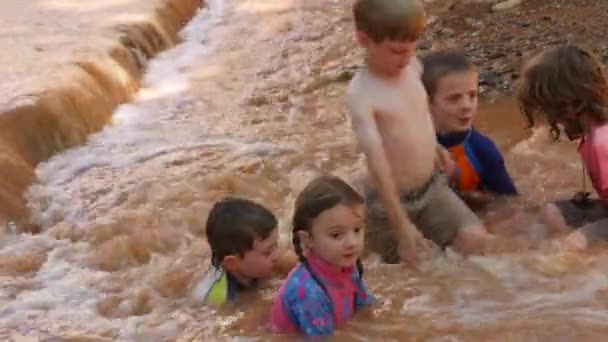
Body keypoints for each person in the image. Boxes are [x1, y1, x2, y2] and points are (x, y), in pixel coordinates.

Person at [347, 0, 490, 264]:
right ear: (364, 40)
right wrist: (401, 226)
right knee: (420, 272)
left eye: (413, 47)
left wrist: (434, 147)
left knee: (476, 241)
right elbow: (378, 167)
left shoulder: (412, 66)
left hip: (431, 187)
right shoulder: (363, 95)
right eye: (397, 51)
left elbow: (418, 114)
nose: (408, 56)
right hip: (388, 203)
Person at [519, 44, 608, 250]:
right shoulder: (595, 136)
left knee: (569, 246)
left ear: (569, 105)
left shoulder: (601, 144)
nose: (550, 121)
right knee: (552, 212)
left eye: (546, 110)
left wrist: (585, 236)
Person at [269, 175, 373, 337]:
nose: (352, 242)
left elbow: (364, 306)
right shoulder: (309, 293)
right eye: (337, 235)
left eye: (357, 230)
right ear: (308, 239)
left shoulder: (346, 264)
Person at [421, 51, 518, 206]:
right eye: (454, 98)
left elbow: (510, 203)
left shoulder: (483, 149)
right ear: (427, 102)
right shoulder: (412, 145)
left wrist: (473, 198)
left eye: (472, 95)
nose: (467, 106)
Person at [193, 197, 281, 305]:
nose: (277, 255)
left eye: (276, 245)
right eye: (268, 252)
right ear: (232, 263)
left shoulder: (253, 261)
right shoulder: (217, 299)